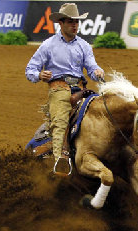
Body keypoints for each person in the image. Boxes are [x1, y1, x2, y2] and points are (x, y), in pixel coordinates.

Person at [25, 3, 104, 175]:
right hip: (59, 89)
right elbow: (30, 70)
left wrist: (97, 72)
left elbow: (91, 67)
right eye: (70, 22)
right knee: (60, 121)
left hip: (81, 89)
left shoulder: (83, 46)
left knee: (102, 111)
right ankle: (60, 159)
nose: (74, 25)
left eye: (76, 22)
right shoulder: (48, 45)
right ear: (60, 23)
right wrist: (39, 75)